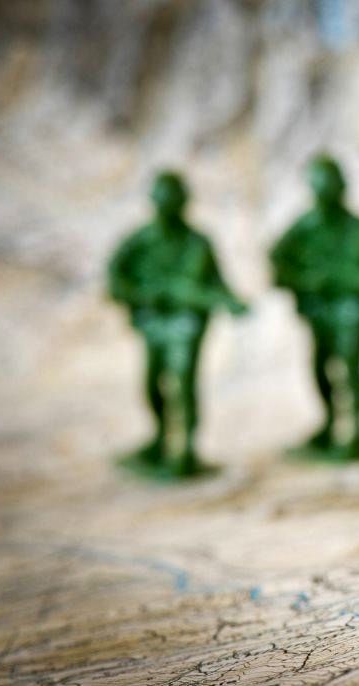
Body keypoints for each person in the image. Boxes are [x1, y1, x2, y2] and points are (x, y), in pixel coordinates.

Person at [108, 171, 248, 476]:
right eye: (162, 199)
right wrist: (146, 294)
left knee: (183, 383)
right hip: (153, 324)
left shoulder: (198, 243)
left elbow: (215, 283)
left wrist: (231, 302)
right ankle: (160, 437)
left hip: (187, 325)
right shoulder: (139, 241)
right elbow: (116, 280)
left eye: (174, 199)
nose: (168, 206)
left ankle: (186, 447)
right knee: (152, 383)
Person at [271, 155, 359, 459]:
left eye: (331, 184)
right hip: (318, 309)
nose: (326, 191)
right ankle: (329, 423)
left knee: (351, 366)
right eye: (320, 185)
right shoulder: (303, 228)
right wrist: (306, 280)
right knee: (320, 366)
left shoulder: (358, 228)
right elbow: (278, 264)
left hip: (351, 308)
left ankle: (356, 430)